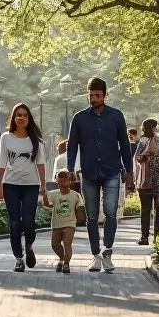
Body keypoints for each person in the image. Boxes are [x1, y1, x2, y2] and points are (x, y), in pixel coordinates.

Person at [66, 77, 134, 273]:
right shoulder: (79, 118)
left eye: (97, 95)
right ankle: (95, 255)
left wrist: (128, 172)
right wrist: (71, 168)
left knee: (111, 212)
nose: (93, 98)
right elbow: (72, 146)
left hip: (112, 171)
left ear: (105, 95)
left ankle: (108, 252)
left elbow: (124, 145)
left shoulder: (116, 116)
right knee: (92, 216)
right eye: (90, 95)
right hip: (88, 173)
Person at [0, 103, 49, 272]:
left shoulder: (37, 141)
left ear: (28, 119)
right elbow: (1, 164)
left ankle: (29, 246)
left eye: (25, 115)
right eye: (18, 115)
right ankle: (18, 258)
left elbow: (41, 165)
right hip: (10, 185)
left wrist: (43, 186)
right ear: (13, 117)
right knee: (14, 223)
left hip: (31, 186)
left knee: (28, 222)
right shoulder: (6, 137)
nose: (21, 118)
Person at [134, 119, 159, 245]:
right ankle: (156, 236)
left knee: (147, 209)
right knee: (157, 209)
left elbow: (138, 159)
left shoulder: (144, 142)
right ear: (155, 128)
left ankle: (147, 237)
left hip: (148, 181)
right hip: (156, 181)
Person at [48, 169, 83, 272]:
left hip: (70, 223)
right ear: (57, 181)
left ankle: (66, 264)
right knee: (55, 244)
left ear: (70, 181)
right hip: (56, 224)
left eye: (65, 181)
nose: (63, 183)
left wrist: (80, 217)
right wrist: (45, 201)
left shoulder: (75, 195)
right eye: (60, 181)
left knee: (67, 244)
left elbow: (79, 205)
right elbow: (48, 205)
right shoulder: (53, 194)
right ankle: (62, 259)